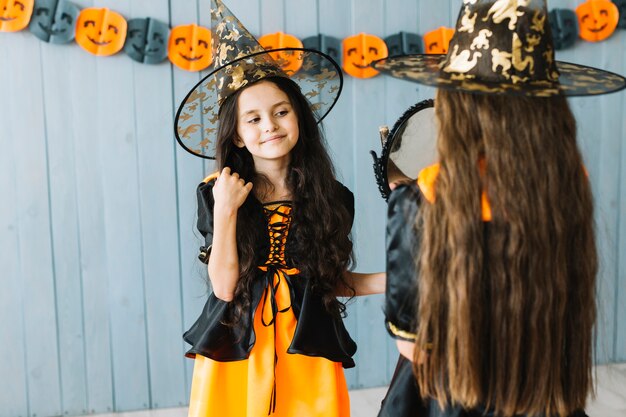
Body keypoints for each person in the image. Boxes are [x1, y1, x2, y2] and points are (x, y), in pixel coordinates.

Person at [371, 1, 626, 416]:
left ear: (456, 106)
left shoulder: (423, 198)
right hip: (541, 393)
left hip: (457, 398)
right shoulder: (567, 183)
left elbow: (413, 347)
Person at [173, 1, 384, 416]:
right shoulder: (217, 192)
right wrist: (227, 209)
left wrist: (397, 279)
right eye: (252, 119)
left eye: (280, 112)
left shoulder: (330, 196)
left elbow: (329, 281)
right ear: (236, 136)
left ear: (298, 118)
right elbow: (225, 287)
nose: (269, 125)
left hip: (305, 341)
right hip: (238, 342)